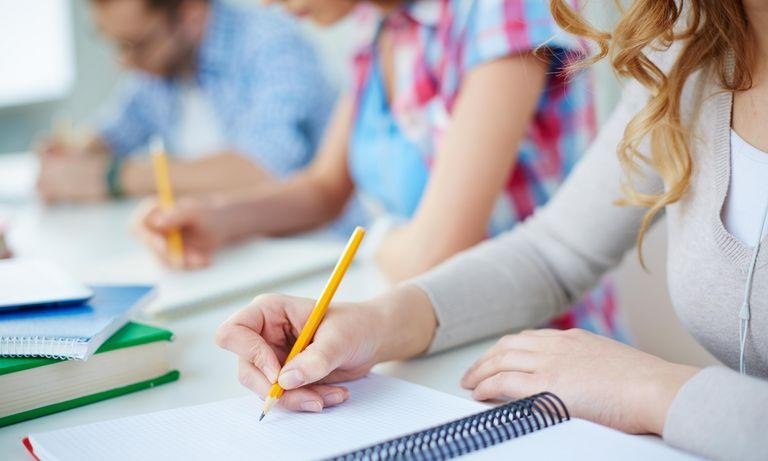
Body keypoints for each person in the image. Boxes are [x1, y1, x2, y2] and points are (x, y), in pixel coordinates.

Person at [213, 0, 768, 460]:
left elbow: (435, 242)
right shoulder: (689, 50)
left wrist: (652, 388)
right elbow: (555, 252)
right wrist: (372, 323)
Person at [136, 0, 621, 339]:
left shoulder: (502, 6)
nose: (264, 4)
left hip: (535, 345)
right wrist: (219, 217)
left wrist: (373, 241)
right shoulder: (377, 22)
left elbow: (435, 253)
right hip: (417, 326)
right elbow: (325, 187)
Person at [36, 0, 332, 202]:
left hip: (309, 254)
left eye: (134, 45)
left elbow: (261, 170)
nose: (123, 62)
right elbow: (115, 132)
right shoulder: (159, 66)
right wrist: (77, 154)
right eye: (116, 44)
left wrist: (113, 177)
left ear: (189, 13)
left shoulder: (272, 47)